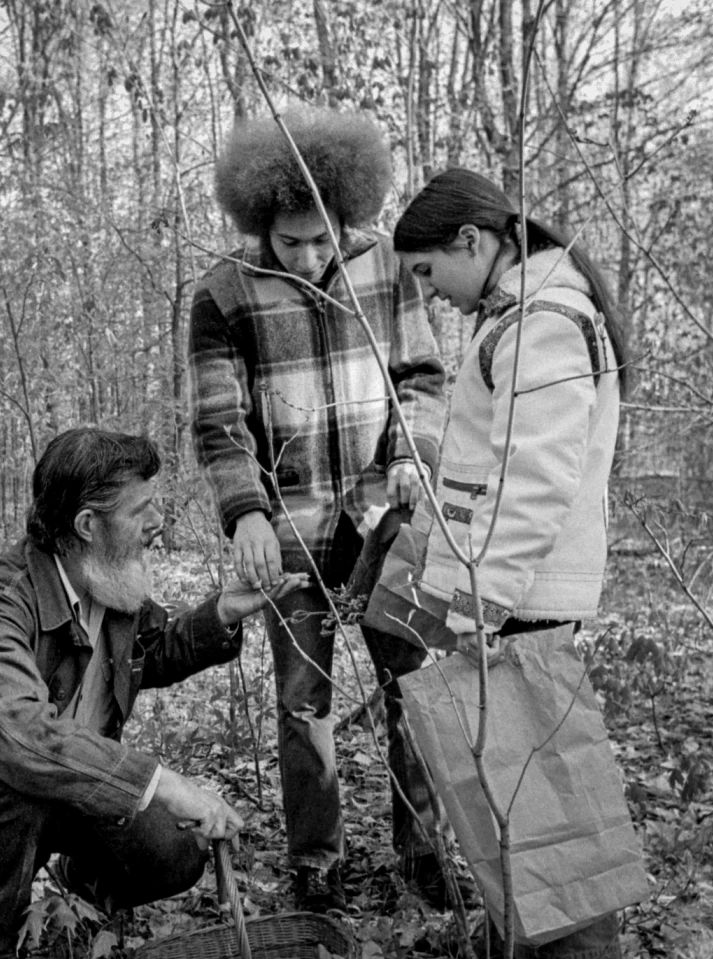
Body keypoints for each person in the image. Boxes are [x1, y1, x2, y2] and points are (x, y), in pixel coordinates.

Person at [0, 428, 303, 959]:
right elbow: (23, 736)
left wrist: (222, 612)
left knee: (179, 854)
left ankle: (82, 890)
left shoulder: (109, 577)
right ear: (88, 524)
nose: (158, 522)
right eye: (142, 510)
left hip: (85, 787)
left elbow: (151, 652)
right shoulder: (2, 595)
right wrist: (163, 783)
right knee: (22, 775)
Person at [362, 165, 634, 959]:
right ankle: (531, 936)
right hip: (509, 586)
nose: (430, 294)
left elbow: (535, 482)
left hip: (524, 591)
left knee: (537, 784)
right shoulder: (518, 313)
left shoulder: (542, 321)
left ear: (473, 241)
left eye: (429, 272)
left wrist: (483, 601)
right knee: (512, 776)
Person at [190, 106, 449, 913]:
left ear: (346, 215)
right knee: (303, 702)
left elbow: (422, 378)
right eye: (290, 241)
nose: (308, 256)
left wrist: (410, 454)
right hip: (288, 530)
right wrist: (246, 513)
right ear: (258, 223)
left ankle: (425, 854)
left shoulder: (388, 270)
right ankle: (316, 866)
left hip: (385, 520)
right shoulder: (223, 294)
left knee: (414, 683)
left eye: (322, 238)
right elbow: (220, 422)